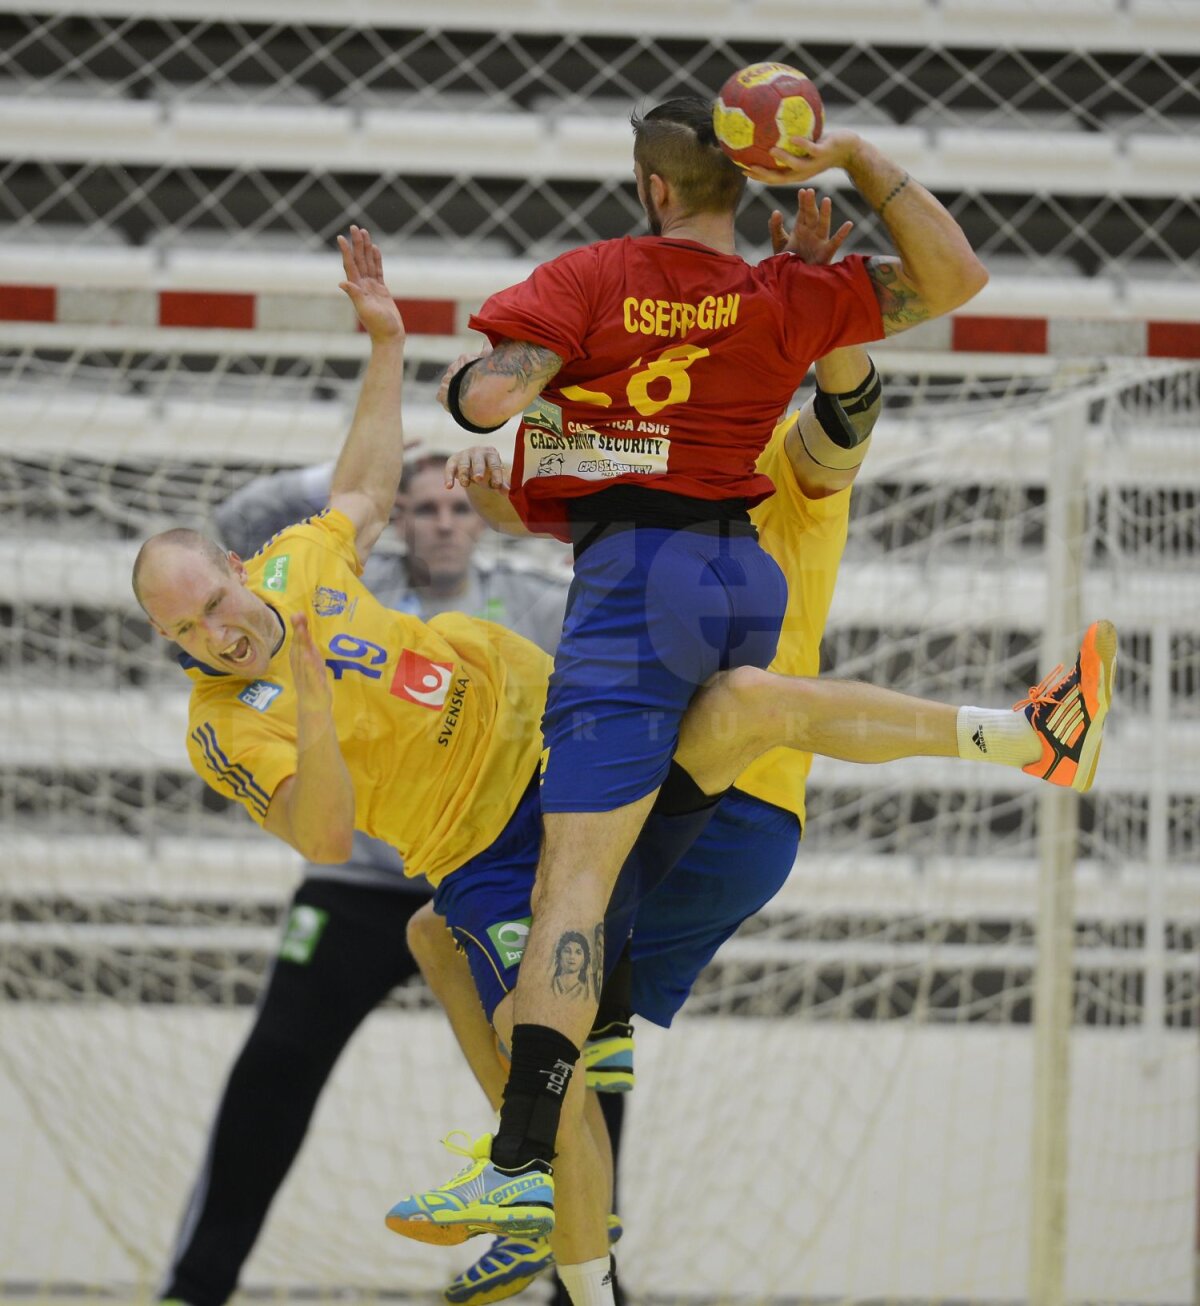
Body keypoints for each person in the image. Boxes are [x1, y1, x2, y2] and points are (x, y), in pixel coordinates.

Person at [132, 231, 1111, 1306]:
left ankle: (1022, 734)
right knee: (500, 992)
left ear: (235, 565)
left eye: (214, 602)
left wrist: (387, 343)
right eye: (188, 630)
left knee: (726, 730)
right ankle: (556, 1239)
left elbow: (362, 488)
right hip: (493, 843)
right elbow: (323, 835)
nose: (216, 631)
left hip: (572, 755)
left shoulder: (295, 563)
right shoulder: (223, 720)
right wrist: (316, 709)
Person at [412, 94, 991, 1287]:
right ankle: (604, 1036)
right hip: (738, 574)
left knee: (559, 884)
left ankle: (524, 1163)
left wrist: (496, 378)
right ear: (744, 184)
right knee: (609, 862)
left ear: (655, 187)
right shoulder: (786, 295)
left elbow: (487, 400)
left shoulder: (593, 276)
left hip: (637, 580)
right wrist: (860, 159)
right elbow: (957, 275)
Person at [156, 452, 573, 1306]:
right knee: (274, 1062)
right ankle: (195, 1287)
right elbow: (228, 540)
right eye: (423, 508)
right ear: (402, 524)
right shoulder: (319, 579)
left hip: (490, 863)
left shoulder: (529, 600)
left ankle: (586, 1274)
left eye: (459, 508)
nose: (445, 523)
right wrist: (321, 476)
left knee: (569, 1044)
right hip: (365, 889)